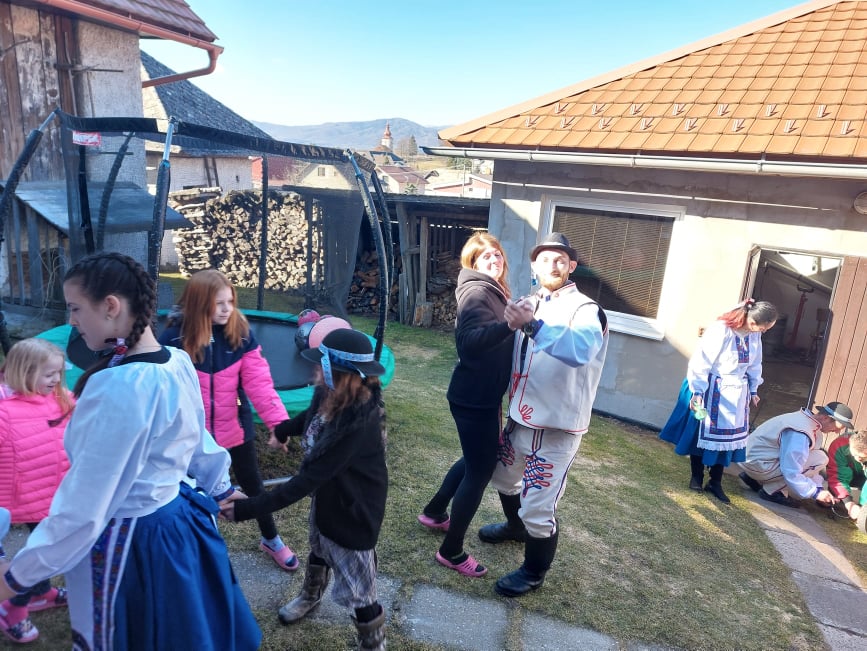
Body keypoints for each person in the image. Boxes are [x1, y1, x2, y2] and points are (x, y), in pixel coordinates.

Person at [0, 252, 261, 650]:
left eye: (75, 308)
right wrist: (219, 485)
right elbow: (197, 437)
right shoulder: (174, 361)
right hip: (177, 525)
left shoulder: (119, 388)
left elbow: (85, 509)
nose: (72, 320)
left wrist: (15, 576)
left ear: (111, 306)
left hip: (132, 542)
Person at [221, 328, 388, 651]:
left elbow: (304, 482)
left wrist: (245, 509)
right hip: (329, 497)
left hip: (354, 510)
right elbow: (310, 418)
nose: (313, 369)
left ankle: (373, 643)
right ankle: (311, 595)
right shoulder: (330, 392)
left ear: (336, 372)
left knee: (360, 590)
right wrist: (283, 429)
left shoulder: (358, 424)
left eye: (319, 364)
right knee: (320, 544)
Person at [477, 232, 608, 598]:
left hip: (557, 427)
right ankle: (515, 528)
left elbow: (579, 350)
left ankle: (534, 571)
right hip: (521, 417)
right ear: (534, 265)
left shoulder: (585, 310)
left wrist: (531, 326)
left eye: (560, 259)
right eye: (545, 259)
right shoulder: (529, 301)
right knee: (503, 478)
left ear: (572, 266)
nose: (553, 264)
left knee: (538, 506)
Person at [159, 268, 298, 571]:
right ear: (199, 303)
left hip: (235, 428)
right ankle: (200, 551)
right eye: (219, 303)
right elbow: (163, 389)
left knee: (254, 487)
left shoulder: (240, 334)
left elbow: (260, 384)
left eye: (230, 302)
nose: (227, 309)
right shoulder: (173, 338)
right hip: (192, 437)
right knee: (192, 496)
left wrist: (278, 424)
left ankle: (271, 539)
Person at [417, 233, 515, 578]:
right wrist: (510, 325)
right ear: (473, 262)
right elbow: (470, 344)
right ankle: (452, 550)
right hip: (475, 399)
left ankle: (434, 512)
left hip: (478, 395)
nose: (494, 259)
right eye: (485, 256)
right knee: (480, 470)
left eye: (497, 253)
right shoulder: (477, 293)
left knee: (475, 459)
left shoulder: (494, 291)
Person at [659, 300, 778, 503]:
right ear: (751, 321)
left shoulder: (754, 335)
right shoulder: (721, 330)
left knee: (728, 440)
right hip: (709, 389)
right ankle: (696, 477)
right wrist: (697, 391)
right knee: (701, 433)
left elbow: (755, 363)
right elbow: (701, 361)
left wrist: (753, 388)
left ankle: (715, 482)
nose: (764, 331)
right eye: (763, 327)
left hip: (736, 394)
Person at [0, 339, 75, 643]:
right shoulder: (4, 412)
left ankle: (40, 593)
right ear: (24, 372)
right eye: (49, 374)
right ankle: (12, 607)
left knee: (48, 551)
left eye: (59, 373)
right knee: (37, 555)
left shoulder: (62, 399)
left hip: (54, 494)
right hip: (20, 499)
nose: (56, 379)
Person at [738, 401, 854, 508]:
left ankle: (753, 478)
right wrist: (815, 492)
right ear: (825, 418)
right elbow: (791, 469)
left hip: (753, 460)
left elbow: (809, 465)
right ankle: (771, 492)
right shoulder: (801, 431)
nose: (837, 432)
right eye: (838, 427)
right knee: (821, 458)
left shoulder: (804, 421)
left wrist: (819, 488)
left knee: (818, 457)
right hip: (758, 465)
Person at [826, 429, 866, 522]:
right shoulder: (839, 445)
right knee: (834, 495)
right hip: (849, 474)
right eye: (855, 455)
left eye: (862, 457)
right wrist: (849, 503)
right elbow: (837, 476)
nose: (858, 459)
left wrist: (864, 508)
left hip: (863, 477)